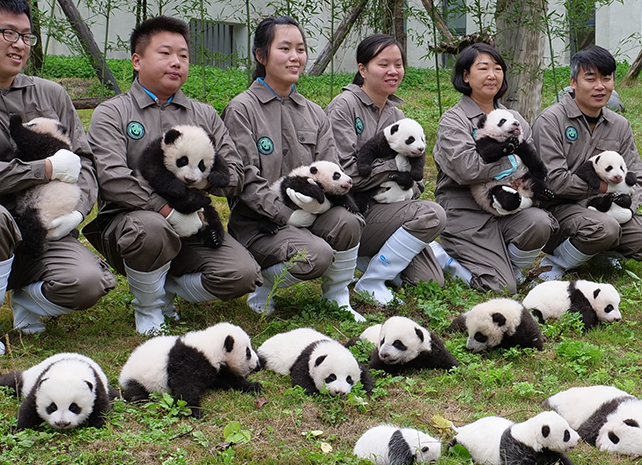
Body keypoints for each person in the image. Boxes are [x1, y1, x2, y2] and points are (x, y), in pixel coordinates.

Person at [0, 0, 114, 357]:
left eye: (26, 35)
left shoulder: (51, 94)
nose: (20, 44)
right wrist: (45, 167)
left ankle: (27, 300)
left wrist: (78, 210)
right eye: (8, 33)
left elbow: (85, 162)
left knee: (87, 284)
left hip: (43, 231)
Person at [83, 16, 261, 334]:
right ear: (137, 60)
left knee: (242, 274)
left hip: (193, 224)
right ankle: (149, 307)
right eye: (165, 53)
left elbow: (235, 173)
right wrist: (166, 209)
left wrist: (199, 178)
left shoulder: (203, 114)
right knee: (152, 228)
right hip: (131, 226)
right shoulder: (112, 113)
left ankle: (165, 287)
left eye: (183, 55)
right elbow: (111, 178)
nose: (176, 62)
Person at [221, 16, 365, 320]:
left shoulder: (314, 113)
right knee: (317, 255)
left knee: (349, 223)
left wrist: (319, 208)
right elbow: (246, 180)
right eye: (284, 48)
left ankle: (337, 296)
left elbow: (331, 172)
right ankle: (261, 286)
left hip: (312, 215)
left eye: (300, 49)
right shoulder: (242, 109)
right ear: (261, 56)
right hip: (261, 224)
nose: (295, 57)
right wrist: (287, 214)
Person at [325, 34, 446, 304]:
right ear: (362, 69)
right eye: (383, 64)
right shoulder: (343, 107)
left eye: (398, 64)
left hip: (389, 207)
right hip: (353, 210)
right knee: (433, 214)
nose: (393, 71)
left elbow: (416, 177)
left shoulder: (396, 115)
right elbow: (345, 174)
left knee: (429, 281)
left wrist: (409, 186)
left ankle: (372, 259)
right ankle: (371, 281)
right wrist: (393, 171)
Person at [530, 45, 642, 279]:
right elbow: (553, 181)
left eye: (606, 78)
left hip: (608, 209)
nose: (600, 86)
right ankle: (556, 263)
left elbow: (636, 178)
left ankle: (596, 252)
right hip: (558, 211)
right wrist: (604, 188)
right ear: (573, 82)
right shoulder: (551, 121)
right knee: (605, 228)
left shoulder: (619, 125)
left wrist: (625, 210)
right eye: (590, 79)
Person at [432, 43, 557, 294]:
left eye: (498, 68)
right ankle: (444, 259)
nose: (492, 75)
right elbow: (468, 169)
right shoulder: (454, 120)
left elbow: (533, 162)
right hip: (467, 213)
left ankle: (509, 266)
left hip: (509, 203)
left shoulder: (513, 117)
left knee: (540, 223)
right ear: (466, 76)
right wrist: (512, 155)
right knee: (500, 288)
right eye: (483, 68)